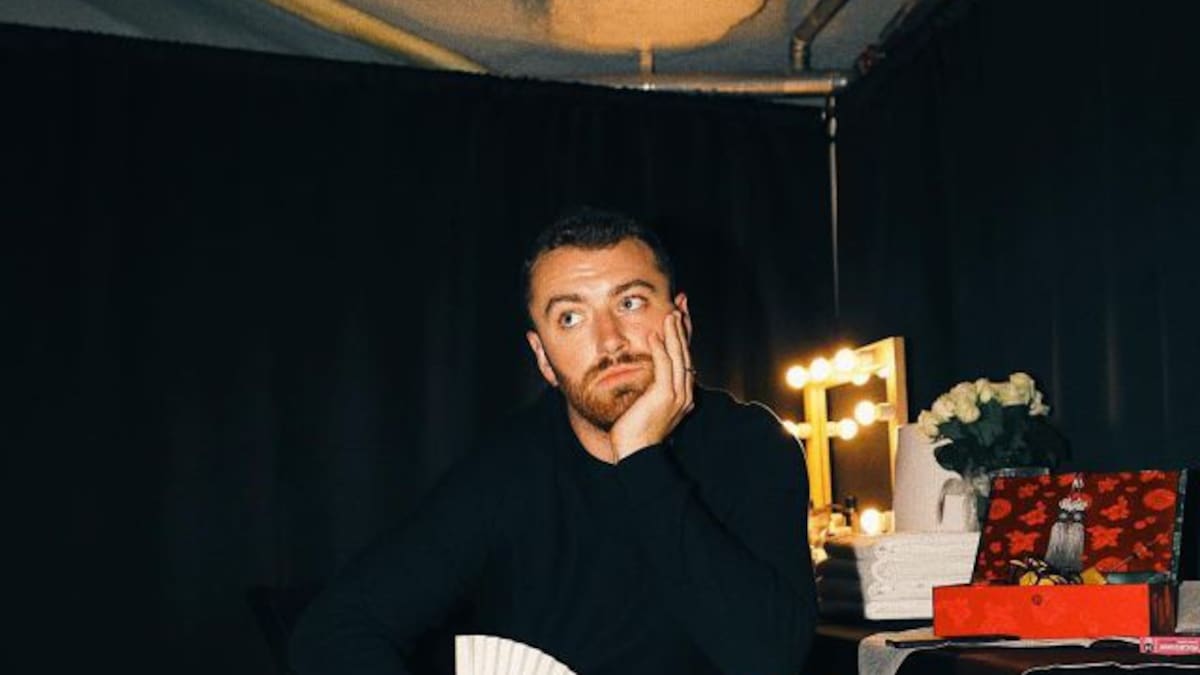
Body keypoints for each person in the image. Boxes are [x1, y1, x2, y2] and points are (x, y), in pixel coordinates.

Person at [290, 209, 817, 674]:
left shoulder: (752, 444)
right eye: (571, 317)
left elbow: (770, 659)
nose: (609, 340)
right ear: (542, 357)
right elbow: (334, 630)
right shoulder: (508, 470)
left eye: (630, 302)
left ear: (681, 318)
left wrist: (642, 458)